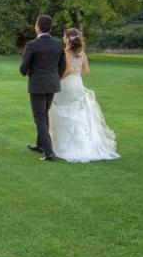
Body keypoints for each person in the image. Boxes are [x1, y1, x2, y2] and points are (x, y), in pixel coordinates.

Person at [49, 28, 119, 162]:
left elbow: (67, 70)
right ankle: (84, 141)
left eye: (64, 36)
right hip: (77, 84)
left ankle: (65, 144)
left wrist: (57, 79)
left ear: (67, 39)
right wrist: (76, 73)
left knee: (63, 110)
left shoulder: (66, 52)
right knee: (77, 112)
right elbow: (86, 71)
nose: (63, 38)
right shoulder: (81, 53)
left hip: (66, 85)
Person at [19, 14, 65, 161]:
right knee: (44, 115)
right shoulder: (58, 43)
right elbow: (62, 66)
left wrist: (27, 72)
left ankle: (49, 152)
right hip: (52, 84)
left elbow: (23, 68)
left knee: (40, 118)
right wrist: (54, 77)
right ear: (50, 28)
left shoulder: (32, 45)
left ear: (37, 27)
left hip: (37, 85)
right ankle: (41, 145)